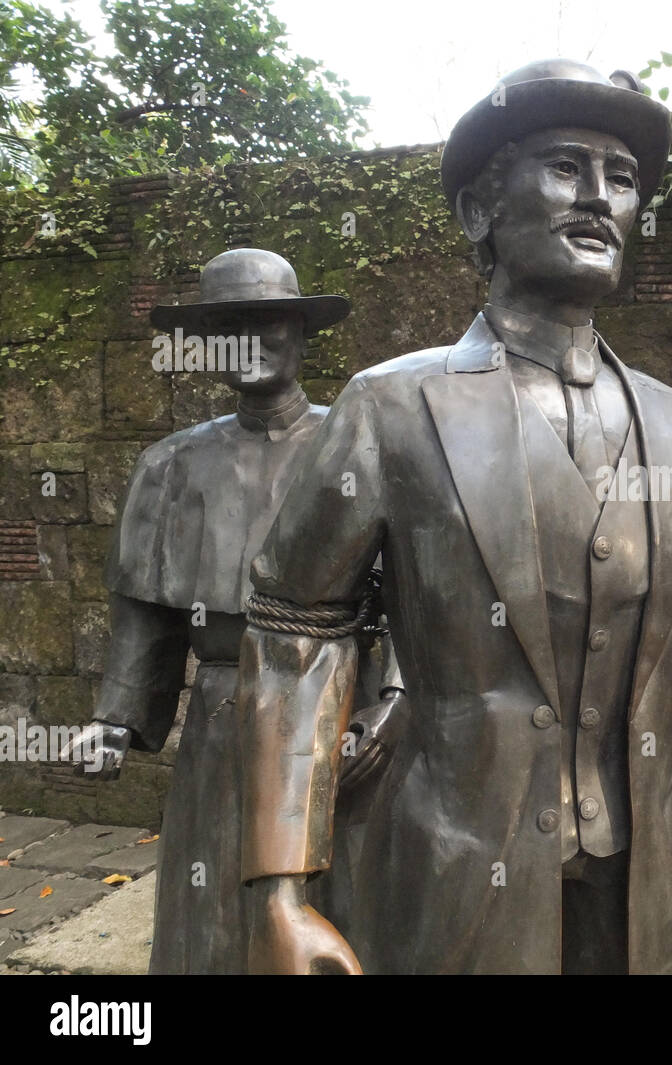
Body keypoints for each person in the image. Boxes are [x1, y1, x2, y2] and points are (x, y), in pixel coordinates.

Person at [234, 63, 672, 975]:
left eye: (621, 177)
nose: (601, 197)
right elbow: (299, 631)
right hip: (457, 868)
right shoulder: (391, 407)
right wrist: (280, 887)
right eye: (566, 166)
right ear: (478, 212)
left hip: (637, 883)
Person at [62, 248, 386, 973]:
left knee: (338, 899)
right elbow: (146, 619)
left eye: (266, 321)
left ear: (301, 333)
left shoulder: (359, 446)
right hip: (221, 713)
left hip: (335, 709)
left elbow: (406, 602)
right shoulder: (170, 466)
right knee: (211, 910)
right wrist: (114, 721)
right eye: (228, 326)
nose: (249, 341)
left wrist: (387, 703)